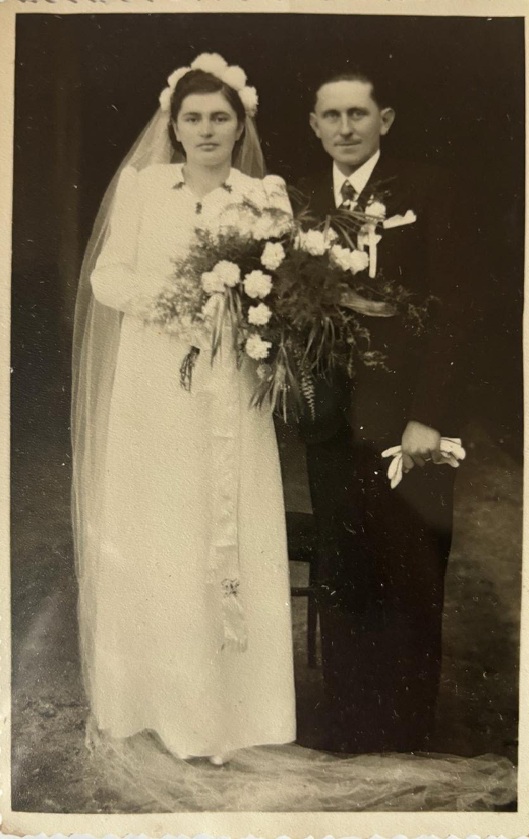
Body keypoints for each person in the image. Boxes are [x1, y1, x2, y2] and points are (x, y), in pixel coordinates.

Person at [71, 54, 296, 766]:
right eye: (192, 118)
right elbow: (107, 277)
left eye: (219, 118)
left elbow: (284, 293)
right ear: (172, 127)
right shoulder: (143, 189)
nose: (206, 130)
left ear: (240, 126)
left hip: (229, 381)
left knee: (224, 518)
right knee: (160, 527)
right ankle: (155, 701)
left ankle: (236, 710)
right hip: (153, 383)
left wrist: (243, 309)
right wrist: (173, 302)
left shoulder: (264, 198)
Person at [296, 69, 473, 753]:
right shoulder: (301, 201)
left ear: (384, 120)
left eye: (358, 114)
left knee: (410, 569)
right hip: (333, 423)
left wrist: (430, 413)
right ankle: (348, 728)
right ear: (314, 125)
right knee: (344, 572)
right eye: (332, 116)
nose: (345, 128)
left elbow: (456, 310)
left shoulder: (427, 190)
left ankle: (404, 734)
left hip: (407, 422)